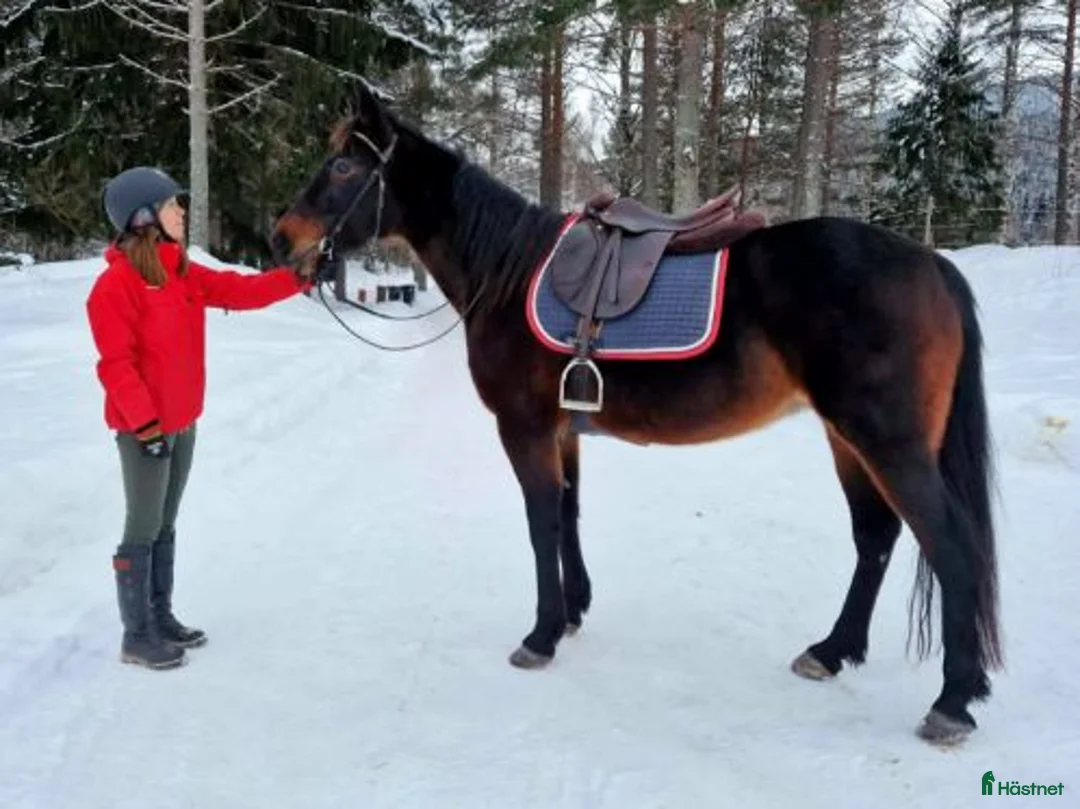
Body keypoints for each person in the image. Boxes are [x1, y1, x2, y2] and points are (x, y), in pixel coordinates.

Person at [86, 166, 311, 670]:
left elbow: (239, 291)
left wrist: (298, 278)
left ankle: (160, 615)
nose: (181, 211)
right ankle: (136, 635)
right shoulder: (115, 286)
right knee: (141, 526)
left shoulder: (182, 272)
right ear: (143, 217)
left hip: (183, 422)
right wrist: (145, 428)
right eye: (171, 205)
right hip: (143, 429)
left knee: (166, 522)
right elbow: (115, 366)